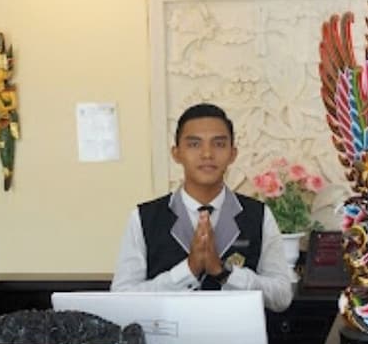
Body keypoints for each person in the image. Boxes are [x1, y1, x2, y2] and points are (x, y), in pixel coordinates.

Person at [111, 103, 294, 312]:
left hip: (236, 333)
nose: (207, 154)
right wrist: (187, 271)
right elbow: (122, 298)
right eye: (194, 144)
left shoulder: (258, 215)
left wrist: (225, 273)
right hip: (169, 334)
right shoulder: (144, 218)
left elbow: (282, 297)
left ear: (233, 154)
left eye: (219, 144)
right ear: (176, 153)